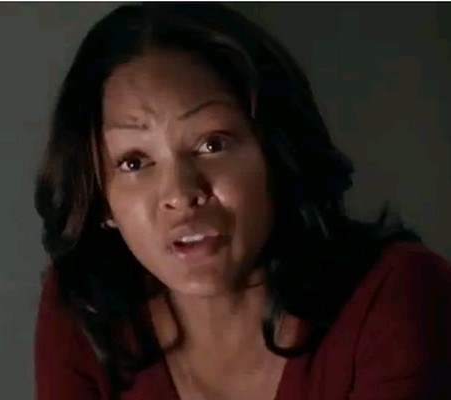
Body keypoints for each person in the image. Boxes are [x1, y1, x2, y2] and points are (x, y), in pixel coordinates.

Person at [34, 3, 451, 400]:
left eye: (212, 144)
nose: (180, 193)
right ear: (102, 202)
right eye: (134, 162)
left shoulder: (395, 295)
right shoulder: (85, 311)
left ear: (277, 152)